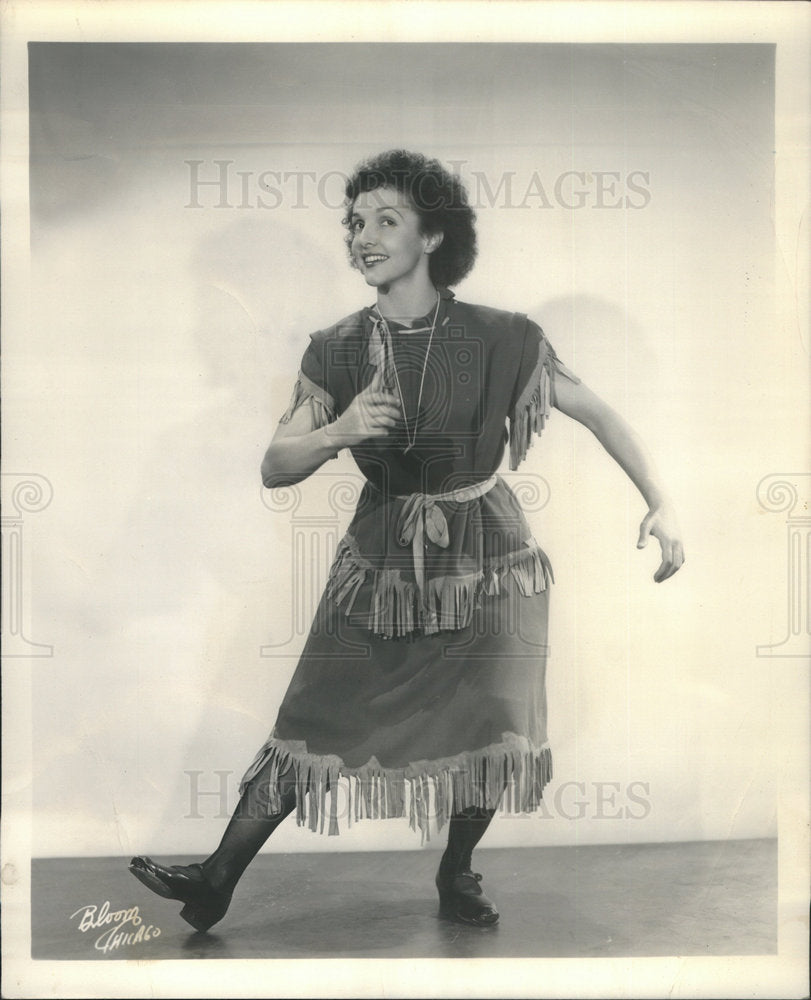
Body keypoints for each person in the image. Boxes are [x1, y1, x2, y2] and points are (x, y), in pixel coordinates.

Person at [129, 149, 684, 932]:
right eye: (355, 221)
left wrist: (660, 500)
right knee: (312, 717)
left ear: (431, 236)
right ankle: (216, 878)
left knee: (492, 721)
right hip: (380, 557)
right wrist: (341, 431)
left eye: (386, 220)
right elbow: (274, 464)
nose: (363, 236)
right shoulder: (333, 348)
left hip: (492, 558)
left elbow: (598, 414)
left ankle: (456, 872)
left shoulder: (504, 336)